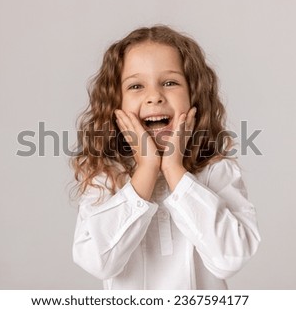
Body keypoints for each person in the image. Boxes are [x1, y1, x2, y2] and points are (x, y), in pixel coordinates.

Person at [71, 25, 260, 289]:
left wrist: (174, 170)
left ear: (194, 95)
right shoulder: (105, 175)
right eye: (136, 86)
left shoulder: (217, 170)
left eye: (170, 83)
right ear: (116, 104)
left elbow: (230, 258)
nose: (154, 97)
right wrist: (147, 169)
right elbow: (98, 262)